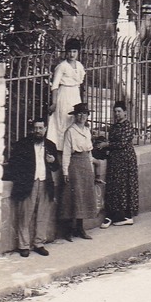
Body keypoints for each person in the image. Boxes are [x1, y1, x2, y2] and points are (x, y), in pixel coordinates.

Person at [2, 117, 59, 257]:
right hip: (28, 184)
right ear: (32, 129)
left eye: (41, 128)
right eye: (36, 128)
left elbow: (55, 166)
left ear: (45, 129)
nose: (38, 131)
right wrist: (22, 178)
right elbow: (14, 164)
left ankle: (39, 243)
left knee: (42, 216)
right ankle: (24, 245)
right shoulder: (23, 144)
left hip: (45, 183)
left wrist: (52, 161)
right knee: (25, 215)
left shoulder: (51, 145)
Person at [57, 102, 98, 240]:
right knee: (73, 197)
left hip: (85, 165)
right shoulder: (70, 131)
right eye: (79, 113)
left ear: (87, 116)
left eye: (84, 113)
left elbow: (90, 152)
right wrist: (65, 172)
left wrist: (91, 168)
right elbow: (66, 153)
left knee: (84, 197)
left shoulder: (87, 131)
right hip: (74, 165)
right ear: (75, 116)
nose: (82, 116)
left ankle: (80, 229)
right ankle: (69, 230)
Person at [100, 98, 139, 227]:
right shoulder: (114, 126)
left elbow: (122, 142)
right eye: (115, 111)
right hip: (115, 159)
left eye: (119, 111)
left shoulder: (128, 125)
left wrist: (107, 144)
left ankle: (126, 216)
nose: (117, 114)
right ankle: (112, 215)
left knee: (124, 186)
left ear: (125, 113)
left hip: (125, 160)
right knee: (114, 186)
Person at [48, 39, 87, 148]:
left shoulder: (79, 66)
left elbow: (80, 84)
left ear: (78, 52)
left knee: (75, 119)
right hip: (64, 95)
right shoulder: (62, 66)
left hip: (75, 95)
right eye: (69, 51)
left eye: (74, 51)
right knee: (63, 120)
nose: (72, 54)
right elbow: (55, 86)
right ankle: (61, 148)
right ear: (66, 52)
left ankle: (73, 147)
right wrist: (54, 103)